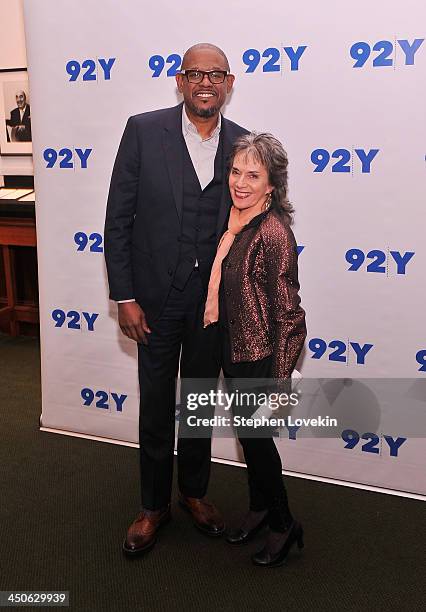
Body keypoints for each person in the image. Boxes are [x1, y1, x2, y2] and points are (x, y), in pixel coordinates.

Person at [104, 43, 248, 556]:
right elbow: (117, 219)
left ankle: (193, 492)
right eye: (195, 73)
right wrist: (124, 295)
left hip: (212, 304)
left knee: (199, 402)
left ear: (229, 82)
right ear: (180, 81)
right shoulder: (143, 131)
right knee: (158, 405)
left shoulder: (244, 143)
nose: (205, 82)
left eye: (215, 74)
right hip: (156, 299)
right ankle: (152, 506)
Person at [203, 132, 307, 567]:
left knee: (259, 444)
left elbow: (290, 314)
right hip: (234, 348)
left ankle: (284, 523)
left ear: (271, 185)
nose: (241, 183)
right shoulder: (235, 222)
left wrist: (280, 379)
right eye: (235, 171)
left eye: (253, 175)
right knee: (250, 439)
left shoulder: (273, 231)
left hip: (261, 357)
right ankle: (261, 508)